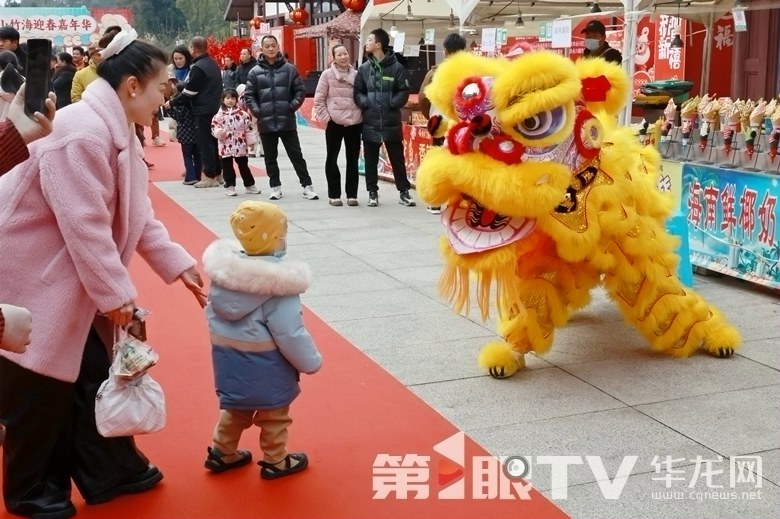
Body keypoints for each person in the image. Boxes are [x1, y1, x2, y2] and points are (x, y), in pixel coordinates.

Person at [0, 29, 207, 519]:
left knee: (91, 374)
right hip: (34, 271)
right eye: (161, 88)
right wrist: (119, 297)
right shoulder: (84, 132)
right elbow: (85, 226)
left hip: (65, 273)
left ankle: (109, 469)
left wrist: (175, 263)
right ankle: (32, 490)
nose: (165, 97)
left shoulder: (112, 127)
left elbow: (137, 214)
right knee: (40, 387)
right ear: (133, 86)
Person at [201, 200, 322, 480]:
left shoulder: (224, 278)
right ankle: (276, 460)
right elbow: (289, 333)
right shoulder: (277, 286)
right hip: (267, 365)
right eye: (281, 234)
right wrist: (311, 361)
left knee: (235, 409)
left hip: (229, 361)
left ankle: (221, 451)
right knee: (275, 416)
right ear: (272, 238)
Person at [244, 35, 318, 201]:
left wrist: (290, 107)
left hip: (287, 120)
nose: (270, 49)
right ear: (262, 49)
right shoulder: (254, 72)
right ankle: (275, 187)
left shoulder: (290, 69)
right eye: (267, 46)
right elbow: (249, 96)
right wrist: (259, 111)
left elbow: (300, 91)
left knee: (296, 156)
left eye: (273, 45)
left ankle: (307, 186)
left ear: (278, 47)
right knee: (270, 157)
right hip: (266, 121)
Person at [354, 28, 415, 207]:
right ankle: (372, 193)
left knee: (397, 158)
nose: (366, 42)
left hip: (391, 121)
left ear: (378, 44)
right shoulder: (364, 69)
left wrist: (393, 104)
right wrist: (366, 103)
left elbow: (404, 90)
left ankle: (404, 192)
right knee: (371, 159)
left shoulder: (396, 67)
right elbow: (358, 91)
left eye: (370, 39)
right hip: (370, 121)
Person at [418, 32, 467, 215]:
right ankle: (461, 199)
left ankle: (435, 201)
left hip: (440, 123)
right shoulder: (472, 71)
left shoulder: (435, 72)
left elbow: (423, 97)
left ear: (445, 51)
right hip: (464, 126)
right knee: (463, 161)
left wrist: (430, 117)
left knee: (439, 160)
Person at [167, 36, 223, 188]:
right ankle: (218, 173)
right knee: (213, 142)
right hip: (214, 108)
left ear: (193, 48)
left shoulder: (198, 67)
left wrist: (172, 102)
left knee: (204, 143)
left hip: (202, 110)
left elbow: (190, 92)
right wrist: (183, 85)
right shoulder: (212, 64)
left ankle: (209, 176)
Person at [313, 44, 362, 207]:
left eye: (345, 53)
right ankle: (334, 194)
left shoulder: (357, 74)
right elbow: (319, 99)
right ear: (333, 57)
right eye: (339, 54)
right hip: (335, 123)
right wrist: (328, 119)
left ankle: (352, 194)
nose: (343, 57)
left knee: (353, 159)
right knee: (332, 158)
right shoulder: (327, 75)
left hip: (355, 122)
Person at [211, 88, 259, 196]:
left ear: (237, 99)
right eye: (227, 98)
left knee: (244, 166)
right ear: (223, 100)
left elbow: (249, 129)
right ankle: (230, 186)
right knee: (227, 167)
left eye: (233, 98)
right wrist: (220, 132)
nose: (230, 100)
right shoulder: (218, 116)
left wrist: (251, 143)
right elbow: (214, 128)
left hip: (240, 145)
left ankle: (249, 185)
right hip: (225, 146)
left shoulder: (243, 114)